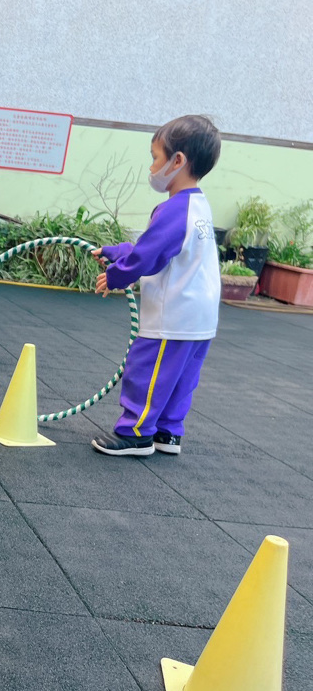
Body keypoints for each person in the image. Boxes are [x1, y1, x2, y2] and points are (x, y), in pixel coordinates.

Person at [91, 115, 222, 457]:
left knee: (148, 371)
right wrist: (117, 251)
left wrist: (116, 275)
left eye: (155, 157)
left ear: (177, 161)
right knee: (180, 379)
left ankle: (135, 432)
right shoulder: (199, 206)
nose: (152, 167)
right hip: (201, 319)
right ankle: (168, 431)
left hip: (172, 316)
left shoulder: (174, 210)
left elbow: (148, 256)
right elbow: (160, 249)